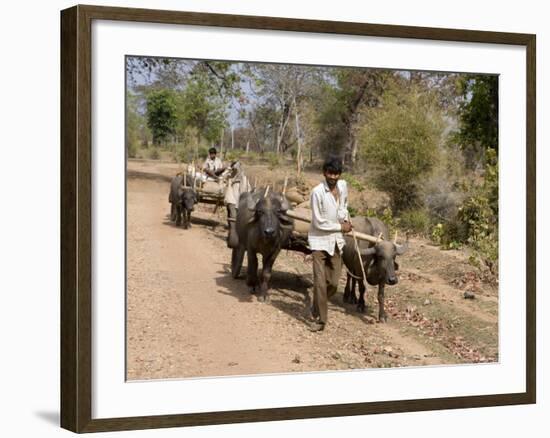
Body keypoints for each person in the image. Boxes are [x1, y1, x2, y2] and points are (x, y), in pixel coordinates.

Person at [308, 156, 352, 332]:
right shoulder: (317, 192)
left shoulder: (343, 187)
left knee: (333, 283)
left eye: (336, 174)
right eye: (330, 173)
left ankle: (318, 302)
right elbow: (318, 222)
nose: (333, 177)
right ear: (324, 173)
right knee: (319, 282)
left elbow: (344, 207)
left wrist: (346, 219)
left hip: (336, 242)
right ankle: (321, 320)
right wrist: (341, 227)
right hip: (319, 242)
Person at [224, 161, 251, 247]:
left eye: (237, 168)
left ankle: (240, 237)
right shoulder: (230, 176)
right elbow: (223, 178)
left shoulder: (244, 178)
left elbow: (247, 190)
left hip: (241, 201)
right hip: (231, 199)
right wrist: (228, 171)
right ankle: (232, 237)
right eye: (234, 169)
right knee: (233, 219)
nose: (236, 170)